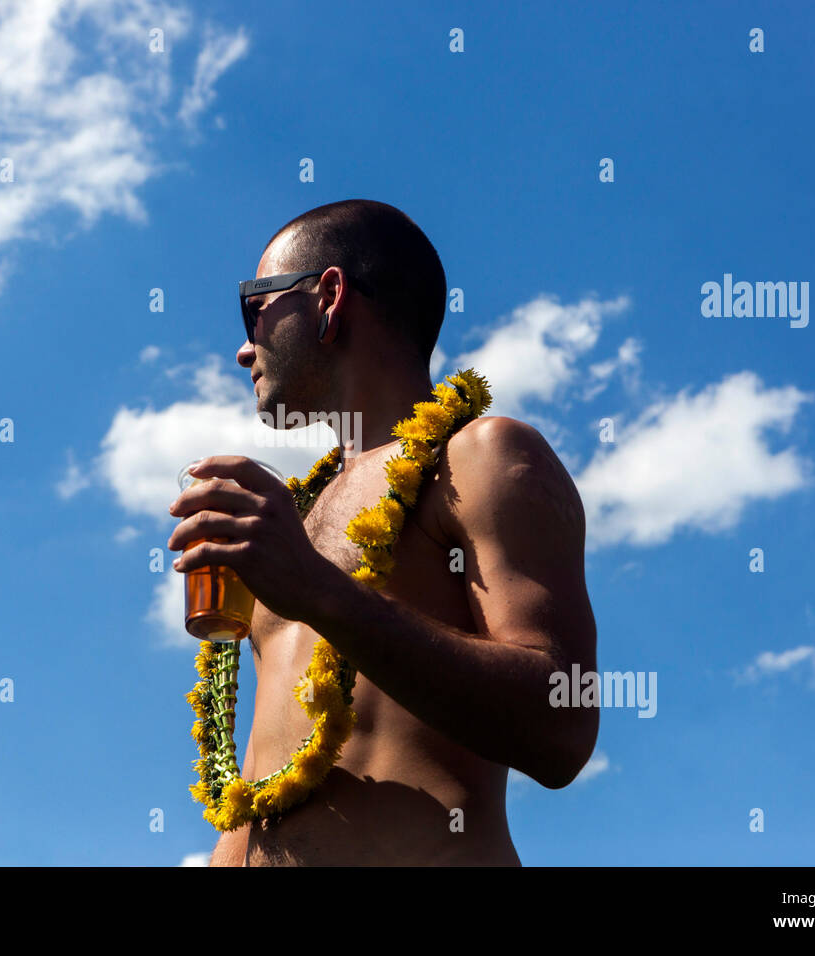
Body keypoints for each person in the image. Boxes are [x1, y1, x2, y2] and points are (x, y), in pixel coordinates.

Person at [167, 199, 598, 865]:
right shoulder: (298, 511)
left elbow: (563, 724)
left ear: (329, 297)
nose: (243, 347)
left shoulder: (479, 456)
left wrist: (319, 590)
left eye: (254, 308)